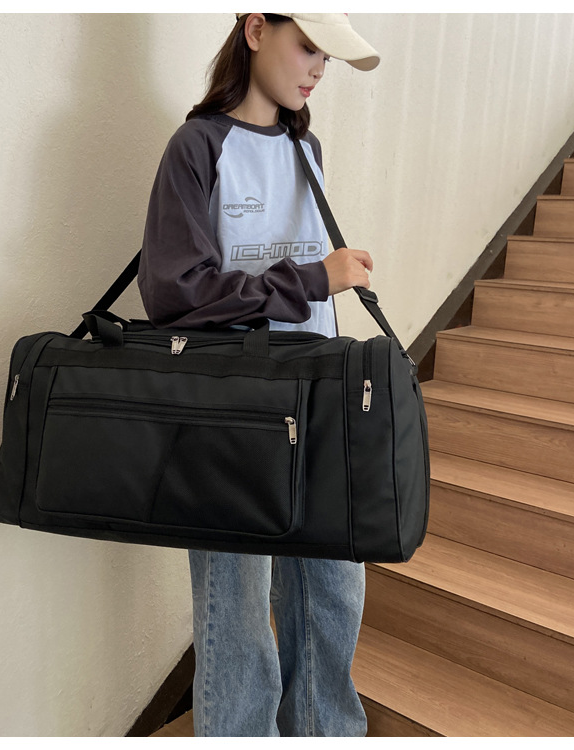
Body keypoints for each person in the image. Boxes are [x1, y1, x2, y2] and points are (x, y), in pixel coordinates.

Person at [137, 13, 380, 737]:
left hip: (316, 393)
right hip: (229, 406)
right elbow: (175, 293)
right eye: (308, 46)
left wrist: (319, 290)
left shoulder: (308, 149)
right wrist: (312, 279)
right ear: (254, 31)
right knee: (236, 608)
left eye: (327, 57)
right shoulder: (197, 146)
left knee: (333, 588)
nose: (318, 69)